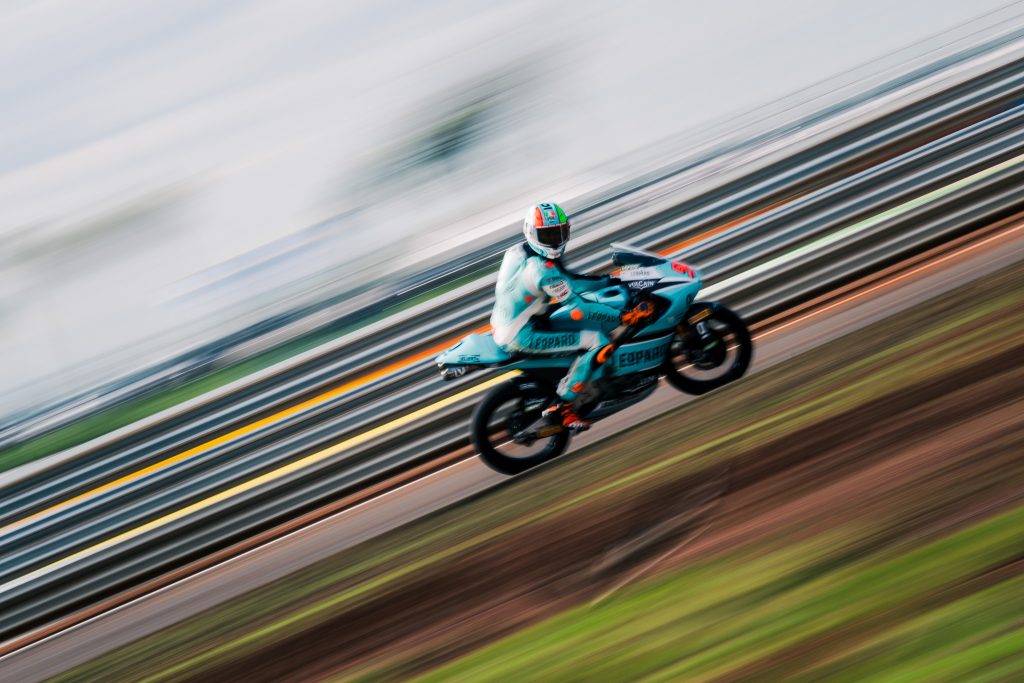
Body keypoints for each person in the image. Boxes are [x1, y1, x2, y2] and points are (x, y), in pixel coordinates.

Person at [490, 202, 655, 431]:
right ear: (531, 232)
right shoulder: (542, 271)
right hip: (523, 334)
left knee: (584, 324)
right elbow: (580, 307)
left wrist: (609, 280)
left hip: (511, 322)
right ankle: (563, 406)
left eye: (559, 233)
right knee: (597, 341)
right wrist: (624, 317)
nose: (554, 240)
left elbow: (570, 281)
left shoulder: (518, 252)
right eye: (547, 235)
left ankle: (584, 381)